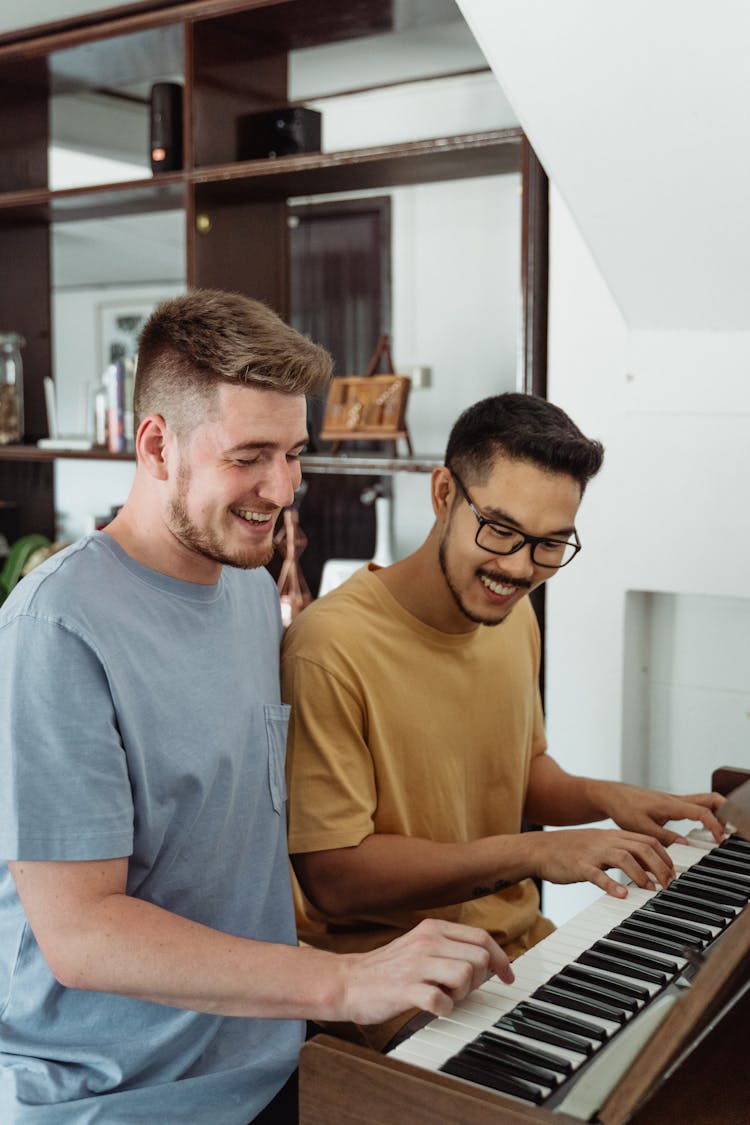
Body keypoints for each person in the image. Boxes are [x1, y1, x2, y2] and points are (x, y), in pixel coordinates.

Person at [0, 291, 514, 1125]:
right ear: (157, 445)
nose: (281, 488)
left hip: (268, 1056)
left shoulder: (246, 589)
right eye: (249, 456)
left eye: (295, 453)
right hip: (116, 1099)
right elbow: (81, 934)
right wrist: (344, 980)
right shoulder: (55, 626)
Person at [281, 391, 726, 1051]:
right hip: (392, 980)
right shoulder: (328, 647)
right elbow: (335, 878)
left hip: (512, 949)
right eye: (500, 529)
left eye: (549, 545)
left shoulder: (510, 614)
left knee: (683, 1047)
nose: (519, 567)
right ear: (442, 494)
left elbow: (516, 771)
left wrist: (609, 798)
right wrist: (537, 851)